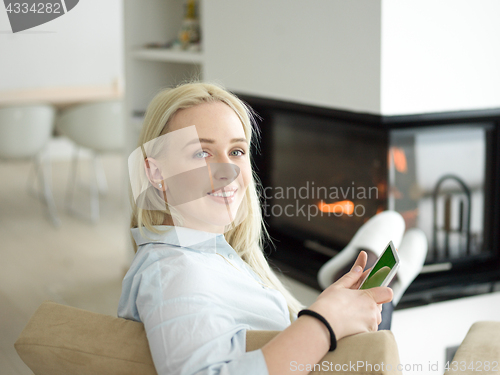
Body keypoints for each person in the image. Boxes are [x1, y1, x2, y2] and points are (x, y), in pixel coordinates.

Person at [118, 82, 393, 375]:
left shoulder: (201, 252)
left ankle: (370, 295)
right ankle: (385, 295)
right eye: (201, 153)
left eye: (236, 151)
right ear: (156, 172)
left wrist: (327, 313)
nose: (229, 171)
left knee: (372, 317)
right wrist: (324, 321)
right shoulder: (175, 273)